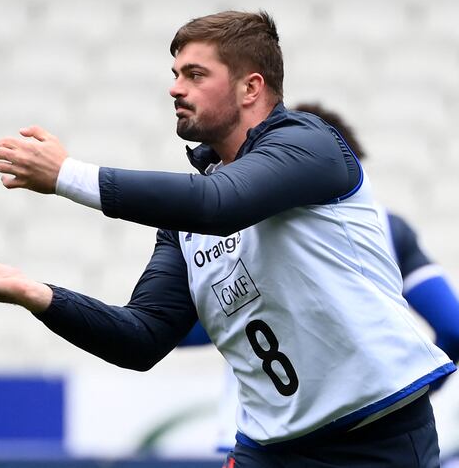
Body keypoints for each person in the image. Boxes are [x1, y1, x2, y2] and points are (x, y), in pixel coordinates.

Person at [0, 11, 455, 467]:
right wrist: (39, 296)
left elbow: (220, 208)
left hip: (377, 438)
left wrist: (66, 176)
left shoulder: (307, 143)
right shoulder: (186, 218)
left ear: (251, 87)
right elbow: (142, 338)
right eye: (175, 74)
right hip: (268, 448)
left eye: (195, 74)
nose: (175, 88)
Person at [178, 101, 459, 458]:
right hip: (368, 430)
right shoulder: (386, 227)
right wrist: (409, 396)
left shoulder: (234, 226)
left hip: (265, 435)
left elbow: (195, 327)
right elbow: (454, 328)